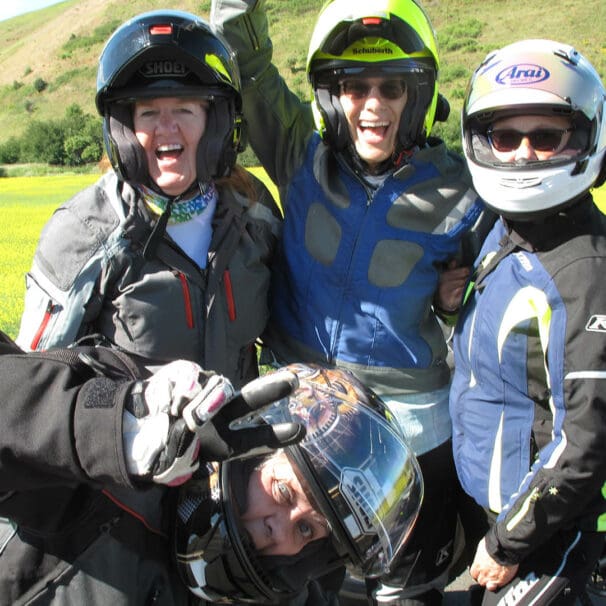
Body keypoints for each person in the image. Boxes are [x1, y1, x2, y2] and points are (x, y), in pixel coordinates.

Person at [211, 0, 489, 603]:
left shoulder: (465, 188)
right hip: (300, 425)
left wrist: (451, 305)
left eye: (391, 87)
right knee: (303, 587)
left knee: (405, 592)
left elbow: (503, 288)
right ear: (330, 96)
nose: (373, 105)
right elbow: (250, 64)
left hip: (413, 432)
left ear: (418, 96)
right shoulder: (300, 155)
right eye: (353, 86)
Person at [0, 329, 423, 605]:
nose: (280, 528)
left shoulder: (276, 589)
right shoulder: (125, 456)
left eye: (306, 530)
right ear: (251, 449)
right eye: (282, 492)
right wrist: (113, 432)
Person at [16, 10, 281, 389]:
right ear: (124, 130)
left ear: (217, 124)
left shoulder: (254, 212)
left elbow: (297, 332)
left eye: (185, 109)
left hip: (240, 443)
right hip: (127, 446)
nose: (166, 128)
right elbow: (32, 385)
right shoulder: (84, 233)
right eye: (149, 112)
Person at [450, 39, 606, 605]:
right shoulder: (507, 229)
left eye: (545, 138)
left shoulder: (584, 269)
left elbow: (584, 442)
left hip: (545, 534)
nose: (522, 154)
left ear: (584, 137)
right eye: (505, 137)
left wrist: (505, 543)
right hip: (500, 506)